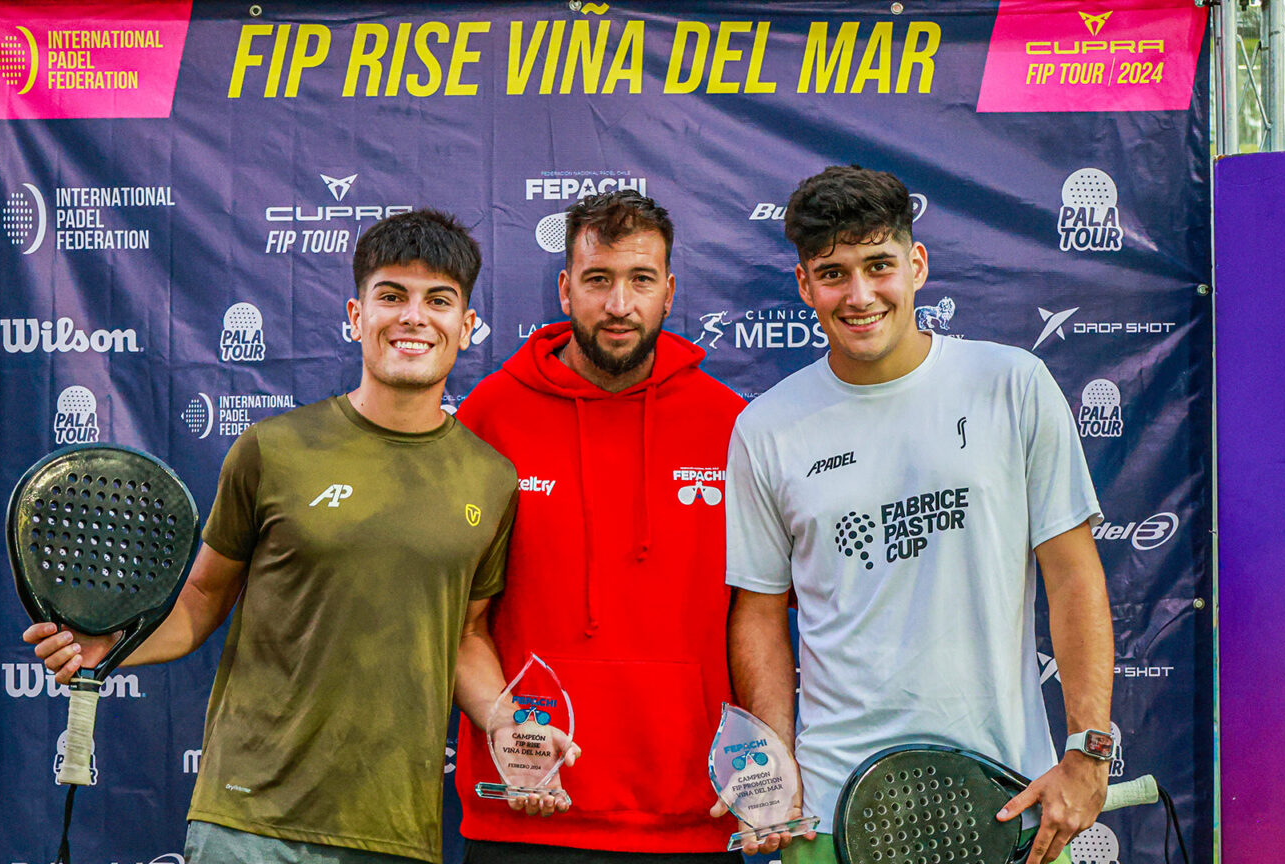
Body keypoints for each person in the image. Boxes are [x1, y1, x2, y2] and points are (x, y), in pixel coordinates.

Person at [24, 210, 519, 864]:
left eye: (438, 300)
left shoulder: (491, 479)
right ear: (356, 315)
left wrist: (509, 727)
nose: (413, 317)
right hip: (249, 825)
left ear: (467, 324)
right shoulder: (272, 448)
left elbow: (467, 635)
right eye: (392, 295)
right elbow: (204, 598)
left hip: (395, 830)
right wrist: (113, 647)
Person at [723, 165, 1115, 864]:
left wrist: (1088, 751)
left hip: (1007, 802)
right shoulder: (766, 429)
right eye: (834, 273)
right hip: (830, 815)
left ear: (917, 265)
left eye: (879, 265)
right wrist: (773, 769)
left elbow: (1074, 577)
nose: (860, 295)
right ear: (805, 285)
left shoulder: (1012, 385)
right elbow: (758, 612)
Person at [452, 190, 749, 864]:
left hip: (691, 816)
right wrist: (508, 726)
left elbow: (756, 614)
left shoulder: (727, 422)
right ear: (565, 289)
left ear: (669, 292)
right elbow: (455, 620)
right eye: (598, 280)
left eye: (641, 280)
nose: (619, 304)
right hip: (526, 811)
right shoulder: (491, 416)